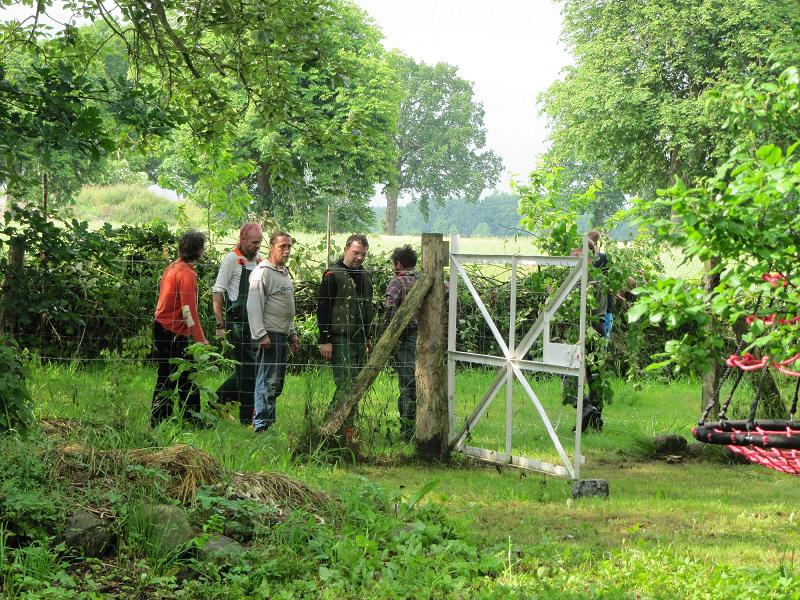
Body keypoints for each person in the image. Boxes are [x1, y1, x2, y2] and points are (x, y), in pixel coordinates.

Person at [151, 230, 209, 427]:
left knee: (179, 375)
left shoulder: (172, 267)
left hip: (162, 327)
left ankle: (172, 419)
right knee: (177, 375)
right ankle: (169, 420)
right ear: (199, 251)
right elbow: (188, 310)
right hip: (172, 331)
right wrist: (200, 338)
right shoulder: (186, 274)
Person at [317, 234, 373, 430]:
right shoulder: (332, 274)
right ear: (346, 249)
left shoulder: (365, 275)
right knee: (345, 385)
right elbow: (323, 308)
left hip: (359, 339)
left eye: (363, 254)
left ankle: (348, 428)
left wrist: (368, 337)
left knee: (356, 386)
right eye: (356, 253)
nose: (359, 257)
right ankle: (328, 428)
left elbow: (366, 310)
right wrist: (324, 339)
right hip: (340, 338)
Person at [246, 231, 300, 434]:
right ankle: (261, 427)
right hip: (268, 334)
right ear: (271, 247)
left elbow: (287, 306)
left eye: (289, 247)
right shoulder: (263, 272)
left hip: (281, 333)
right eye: (282, 246)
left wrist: (292, 332)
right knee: (267, 381)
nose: (286, 251)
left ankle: (267, 423)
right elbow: (253, 306)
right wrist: (261, 334)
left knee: (276, 383)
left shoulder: (283, 272)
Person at [212, 223, 264, 424]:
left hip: (257, 324)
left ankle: (217, 401)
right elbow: (218, 292)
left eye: (260, 242)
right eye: (254, 242)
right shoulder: (232, 260)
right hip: (238, 325)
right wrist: (220, 325)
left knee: (251, 369)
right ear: (242, 239)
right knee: (248, 370)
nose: (258, 246)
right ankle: (246, 419)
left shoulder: (259, 261)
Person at [384, 245, 421, 441]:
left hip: (406, 337)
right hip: (427, 338)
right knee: (425, 382)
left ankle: (408, 431)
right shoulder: (426, 279)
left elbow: (389, 309)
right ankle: (425, 426)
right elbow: (452, 301)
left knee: (407, 384)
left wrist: (388, 336)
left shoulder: (397, 283)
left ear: (398, 264)